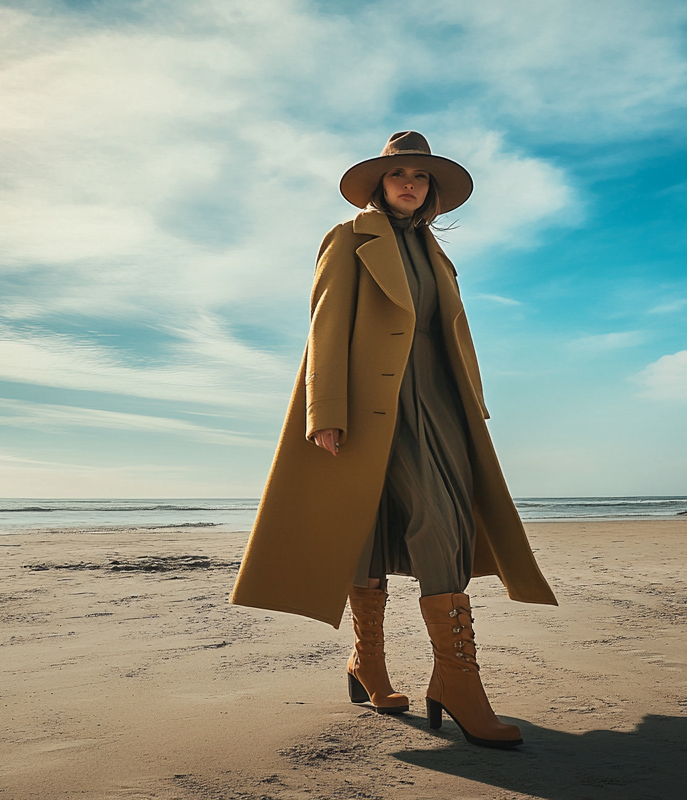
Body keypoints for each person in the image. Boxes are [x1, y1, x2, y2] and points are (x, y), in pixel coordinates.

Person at [231, 131, 556, 749]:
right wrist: (324, 409)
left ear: (431, 190)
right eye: (399, 173)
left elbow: (451, 333)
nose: (410, 183)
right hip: (374, 403)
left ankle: (439, 676)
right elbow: (324, 323)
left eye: (421, 176)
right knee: (376, 525)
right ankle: (394, 667)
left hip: (439, 400)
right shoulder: (351, 238)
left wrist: (474, 403)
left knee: (445, 519)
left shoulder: (437, 253)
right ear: (380, 183)